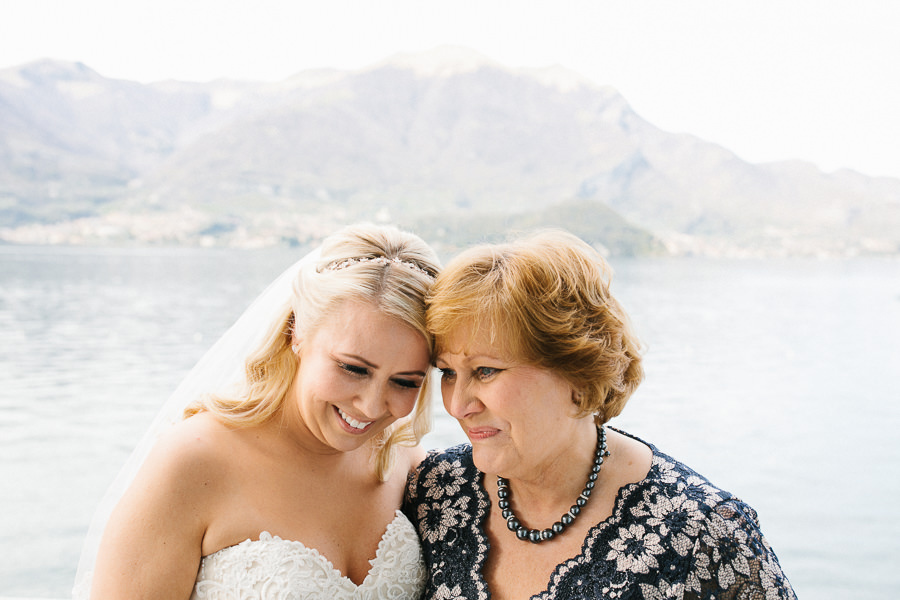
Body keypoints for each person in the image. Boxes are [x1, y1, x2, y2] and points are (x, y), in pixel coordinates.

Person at [405, 230, 796, 600]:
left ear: (576, 374)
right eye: (449, 373)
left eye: (486, 371)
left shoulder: (703, 533)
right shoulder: (435, 492)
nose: (457, 406)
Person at [74, 224, 440, 599]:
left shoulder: (406, 461)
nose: (372, 405)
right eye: (353, 368)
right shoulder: (194, 461)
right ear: (297, 332)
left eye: (406, 382)